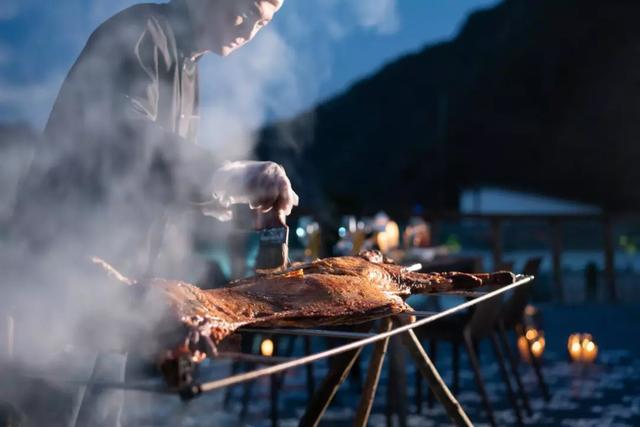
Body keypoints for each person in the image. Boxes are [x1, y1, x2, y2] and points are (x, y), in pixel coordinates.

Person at [4, 0, 295, 425]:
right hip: (60, 279)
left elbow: (160, 186)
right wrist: (228, 175)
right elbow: (126, 141)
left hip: (115, 293)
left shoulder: (187, 63)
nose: (250, 30)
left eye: (264, 22)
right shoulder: (142, 33)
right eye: (246, 11)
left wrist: (235, 204)